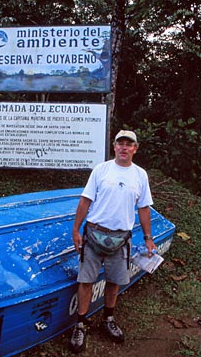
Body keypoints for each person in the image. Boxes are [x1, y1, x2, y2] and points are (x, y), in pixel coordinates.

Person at [69, 130, 156, 353]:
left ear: (135, 149)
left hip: (121, 238)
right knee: (86, 280)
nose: (124, 148)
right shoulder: (101, 170)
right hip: (94, 234)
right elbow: (84, 201)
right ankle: (80, 323)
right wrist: (76, 230)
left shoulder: (140, 175)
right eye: (121, 143)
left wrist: (148, 238)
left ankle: (108, 319)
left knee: (114, 281)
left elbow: (144, 207)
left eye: (129, 144)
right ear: (114, 146)